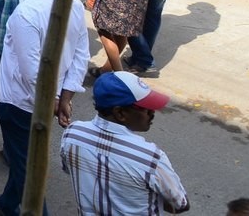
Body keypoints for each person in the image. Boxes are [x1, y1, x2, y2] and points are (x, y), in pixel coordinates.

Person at [0, 0, 90, 216]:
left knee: (25, 167)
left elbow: (33, 71)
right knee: (23, 156)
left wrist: (60, 100)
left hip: (21, 103)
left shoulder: (26, 13)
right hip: (46, 99)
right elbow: (81, 54)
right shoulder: (73, 3)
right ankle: (7, 204)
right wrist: (64, 99)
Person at [61, 72, 189, 215]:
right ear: (120, 113)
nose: (152, 113)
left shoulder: (73, 134)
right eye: (145, 108)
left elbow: (69, 169)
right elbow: (181, 204)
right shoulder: (150, 158)